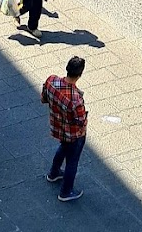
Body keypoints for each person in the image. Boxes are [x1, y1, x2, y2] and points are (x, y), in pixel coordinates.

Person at [42, 55, 88, 202]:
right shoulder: (76, 99)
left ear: (67, 68)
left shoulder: (51, 81)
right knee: (72, 162)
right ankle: (66, 192)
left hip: (57, 127)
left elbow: (43, 98)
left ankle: (54, 173)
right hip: (73, 134)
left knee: (63, 148)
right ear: (80, 74)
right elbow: (81, 121)